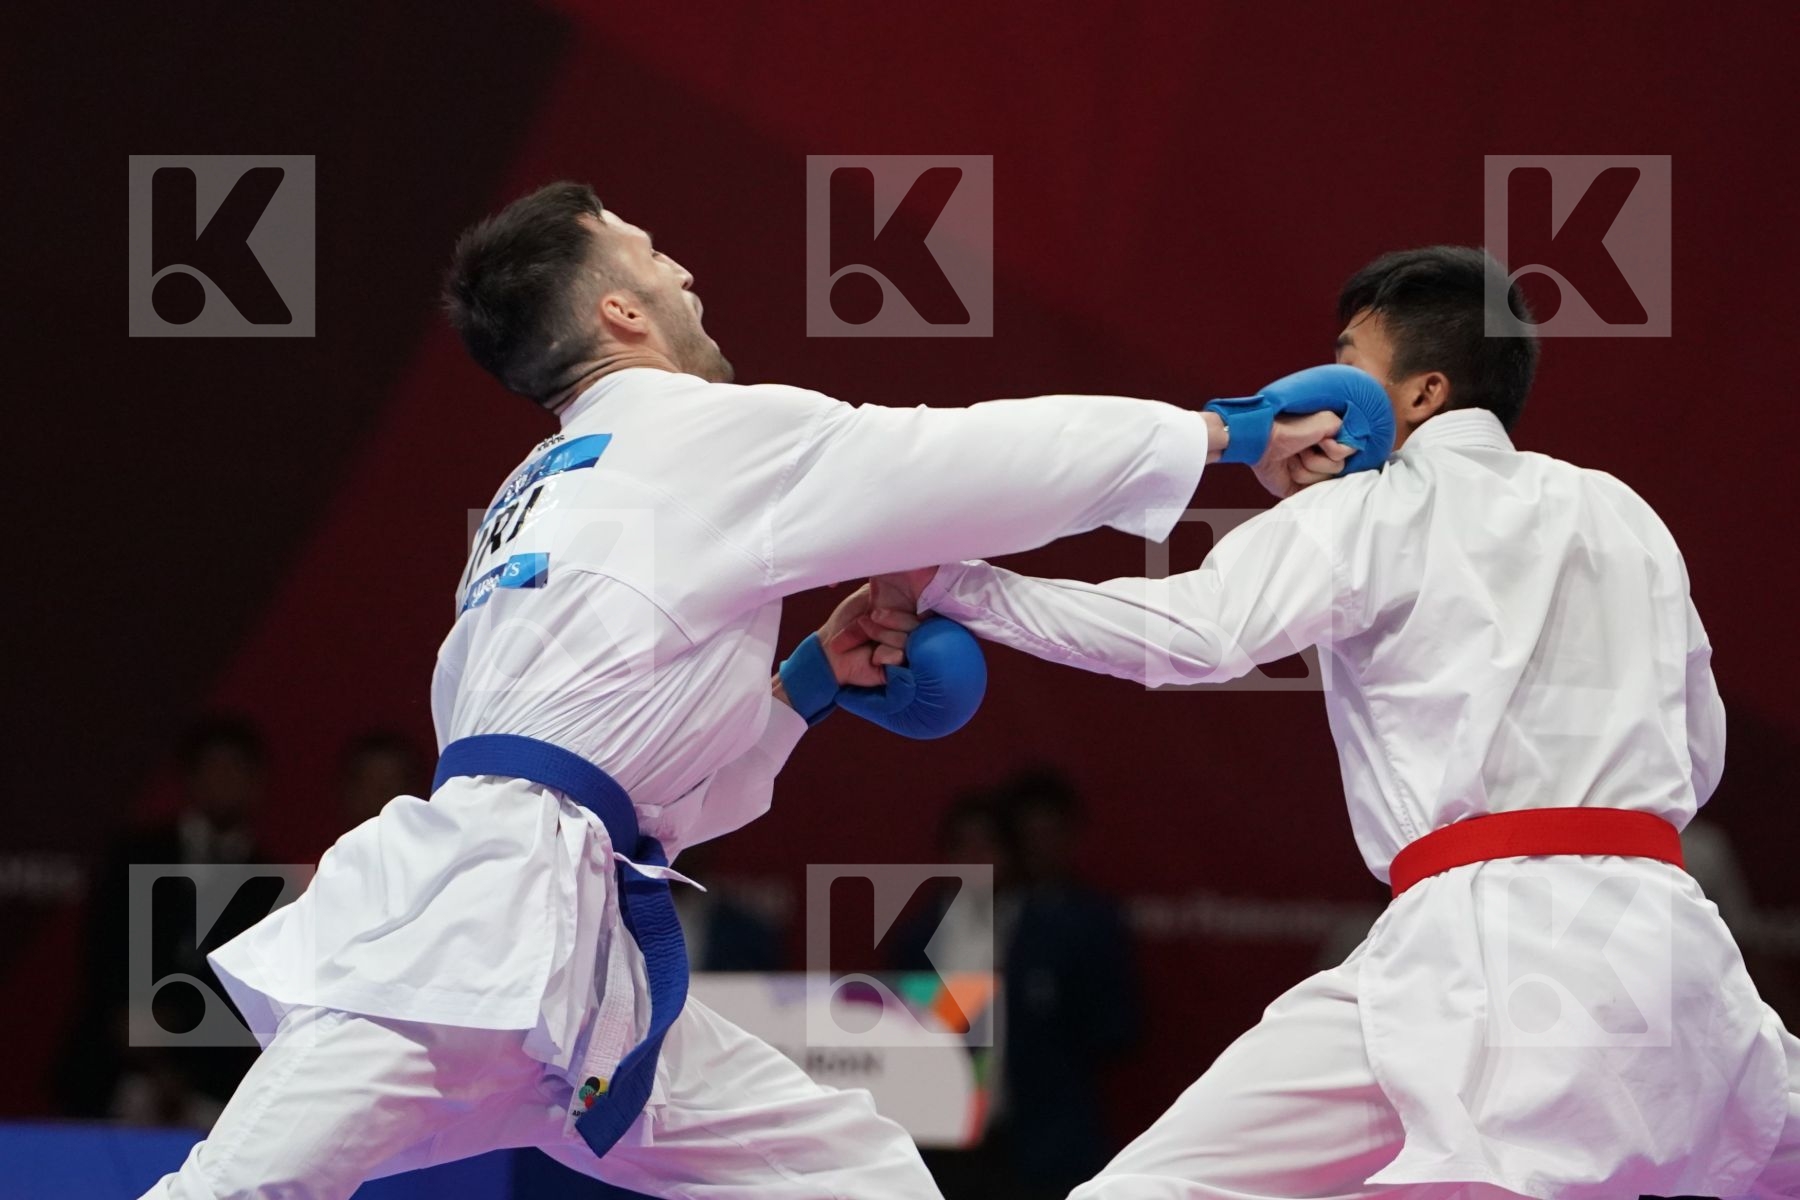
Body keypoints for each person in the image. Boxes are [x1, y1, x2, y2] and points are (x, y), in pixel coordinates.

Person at [140, 181, 1352, 1199]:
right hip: (463, 938)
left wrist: (808, 683)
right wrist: (1226, 435)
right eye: (654, 256)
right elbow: (967, 459)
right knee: (238, 1189)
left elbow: (625, 776)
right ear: (620, 311)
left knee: (852, 1169)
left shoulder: (541, 484)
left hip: (579, 955)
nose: (686, 274)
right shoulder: (695, 432)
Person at [868, 246, 1800, 1198]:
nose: (1318, 400)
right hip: (1648, 940)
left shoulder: (1375, 506)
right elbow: (1699, 750)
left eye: (1348, 363)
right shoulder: (1623, 510)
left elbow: (1187, 634)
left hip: (1495, 946)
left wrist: (956, 581)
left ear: (1424, 392)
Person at [57, 716, 270, 1130]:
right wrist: (145, 1039)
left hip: (217, 1085)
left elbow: (255, 990)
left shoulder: (269, 882)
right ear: (189, 777)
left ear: (257, 782)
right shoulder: (135, 853)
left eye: (236, 770)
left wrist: (189, 1065)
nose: (223, 781)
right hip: (115, 1069)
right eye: (213, 768)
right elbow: (105, 953)